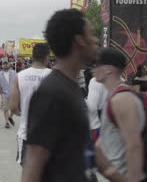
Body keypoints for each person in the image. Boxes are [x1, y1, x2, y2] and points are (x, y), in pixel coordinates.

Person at [21, 9, 99, 182]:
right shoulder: (52, 93)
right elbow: (33, 162)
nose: (96, 39)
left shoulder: (70, 87)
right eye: (91, 34)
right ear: (79, 41)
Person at [93, 47, 145, 182]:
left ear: (108, 69)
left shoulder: (122, 99)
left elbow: (134, 145)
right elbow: (106, 138)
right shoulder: (114, 96)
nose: (93, 68)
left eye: (97, 64)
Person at [9, 43, 52, 166]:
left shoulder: (20, 76)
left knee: (28, 172)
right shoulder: (53, 76)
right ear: (47, 57)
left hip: (26, 133)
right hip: (48, 134)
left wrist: (20, 113)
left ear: (32, 56)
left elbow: (12, 106)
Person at [85, 77, 109, 144]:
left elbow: (91, 107)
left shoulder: (95, 81)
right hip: (111, 128)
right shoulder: (122, 81)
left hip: (95, 126)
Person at [0, 61, 17, 128]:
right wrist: (1, 94)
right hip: (4, 93)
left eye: (6, 63)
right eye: (3, 64)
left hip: (13, 93)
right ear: (2, 65)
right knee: (5, 109)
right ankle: (7, 122)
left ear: (9, 64)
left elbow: (17, 82)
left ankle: (10, 117)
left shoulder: (14, 72)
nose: (5, 65)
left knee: (14, 108)